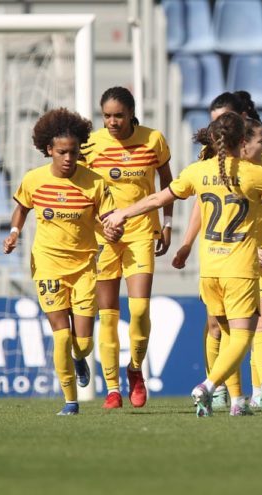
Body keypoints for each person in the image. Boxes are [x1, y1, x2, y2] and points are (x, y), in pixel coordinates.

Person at [103, 112, 262, 417]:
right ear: (241, 142)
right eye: (260, 140)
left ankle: (237, 402)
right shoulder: (253, 174)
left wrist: (122, 214)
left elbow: (158, 198)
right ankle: (207, 386)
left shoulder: (199, 171)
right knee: (243, 336)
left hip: (209, 269)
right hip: (240, 268)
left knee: (225, 335)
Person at [4, 108, 121, 415]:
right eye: (62, 152)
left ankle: (80, 358)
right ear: (49, 151)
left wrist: (111, 227)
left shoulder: (94, 183)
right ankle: (70, 401)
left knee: (82, 343)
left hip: (84, 267)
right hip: (47, 265)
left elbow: (107, 216)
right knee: (60, 336)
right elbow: (21, 207)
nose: (69, 158)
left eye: (74, 151)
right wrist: (14, 232)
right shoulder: (34, 180)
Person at [172, 91, 262, 410]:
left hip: (246, 253)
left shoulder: (255, 163)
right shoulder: (209, 160)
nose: (218, 128)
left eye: (223, 121)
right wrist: (187, 243)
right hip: (228, 258)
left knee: (259, 323)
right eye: (214, 122)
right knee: (224, 327)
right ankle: (217, 388)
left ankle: (243, 396)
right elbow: (203, 207)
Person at [80, 87, 173, 409]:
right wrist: (97, 225)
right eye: (106, 116)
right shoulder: (90, 144)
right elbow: (81, 188)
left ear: (131, 113)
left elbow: (167, 182)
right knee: (107, 316)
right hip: (104, 237)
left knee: (139, 309)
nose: (112, 122)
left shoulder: (153, 140)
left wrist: (168, 223)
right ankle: (112, 388)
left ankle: (135, 369)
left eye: (118, 115)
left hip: (142, 232)